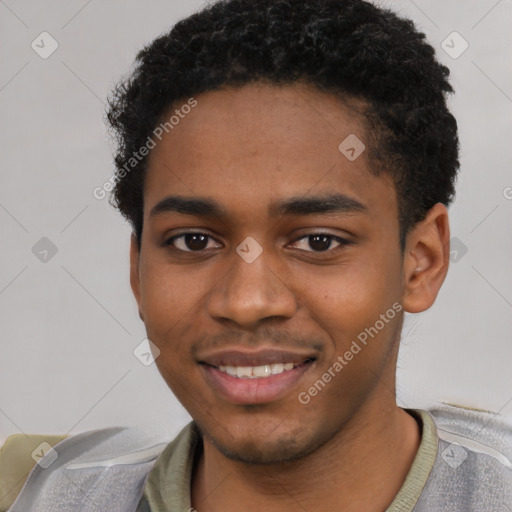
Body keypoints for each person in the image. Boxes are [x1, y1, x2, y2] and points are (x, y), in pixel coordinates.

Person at [3, 0, 511, 510]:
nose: (246, 302)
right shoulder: (36, 491)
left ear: (420, 261)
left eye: (318, 241)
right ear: (137, 270)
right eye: (193, 241)